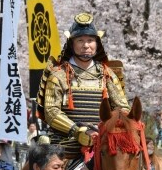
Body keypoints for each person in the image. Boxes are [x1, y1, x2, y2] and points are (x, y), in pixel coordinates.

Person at [37, 12, 129, 159]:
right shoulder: (58, 75)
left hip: (103, 145)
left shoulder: (108, 75)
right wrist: (76, 130)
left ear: (97, 43)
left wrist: (106, 129)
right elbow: (51, 111)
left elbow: (123, 109)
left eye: (90, 40)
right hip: (65, 146)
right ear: (71, 44)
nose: (86, 45)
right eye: (80, 40)